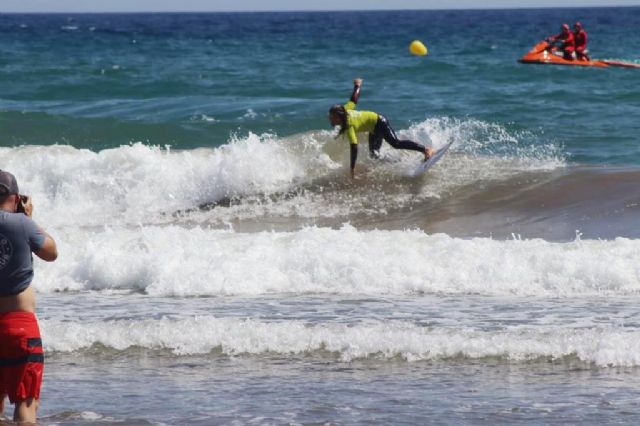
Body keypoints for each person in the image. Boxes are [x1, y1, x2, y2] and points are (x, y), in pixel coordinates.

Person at [0, 170, 57, 424]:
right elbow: (51, 252)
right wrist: (29, 219)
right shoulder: (22, 224)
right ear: (15, 198)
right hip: (19, 325)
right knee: (26, 402)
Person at [328, 78, 434, 179]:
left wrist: (352, 167)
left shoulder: (349, 126)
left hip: (379, 122)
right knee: (374, 154)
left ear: (339, 116)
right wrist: (357, 86)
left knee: (395, 143)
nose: (330, 119)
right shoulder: (345, 109)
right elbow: (353, 100)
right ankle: (394, 163)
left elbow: (354, 148)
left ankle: (425, 150)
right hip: (373, 129)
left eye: (333, 117)